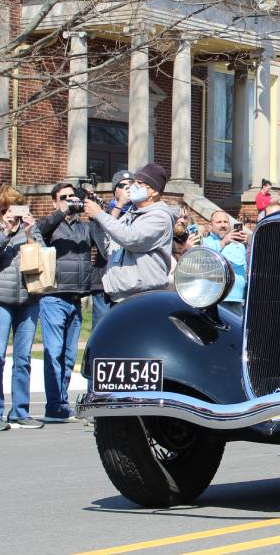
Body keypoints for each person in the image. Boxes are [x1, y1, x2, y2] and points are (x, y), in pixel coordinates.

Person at [35, 181, 106, 426]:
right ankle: (54, 405)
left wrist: (96, 213)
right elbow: (38, 230)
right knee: (53, 353)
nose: (69, 200)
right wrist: (62, 212)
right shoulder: (50, 226)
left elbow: (103, 247)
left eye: (72, 197)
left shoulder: (84, 227)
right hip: (53, 295)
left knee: (67, 356)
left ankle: (62, 403)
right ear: (55, 201)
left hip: (76, 297)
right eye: (63, 197)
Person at [0, 185, 44, 431]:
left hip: (28, 298)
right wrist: (5, 233)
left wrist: (29, 232)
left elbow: (42, 256)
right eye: (4, 209)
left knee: (23, 358)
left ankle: (20, 411)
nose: (9, 213)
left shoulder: (29, 228)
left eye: (13, 208)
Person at [86, 163, 177, 303]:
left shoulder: (159, 217)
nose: (132, 186)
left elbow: (130, 238)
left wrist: (100, 214)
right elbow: (108, 249)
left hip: (144, 297)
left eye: (139, 183)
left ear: (154, 191)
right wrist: (96, 222)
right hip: (119, 297)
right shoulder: (130, 215)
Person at [91, 170, 134, 329]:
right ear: (114, 190)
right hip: (103, 281)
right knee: (102, 329)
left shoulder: (137, 214)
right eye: (122, 186)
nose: (127, 189)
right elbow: (103, 243)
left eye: (131, 186)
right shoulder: (102, 212)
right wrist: (120, 205)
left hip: (125, 283)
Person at [199, 210, 247, 316]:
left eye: (225, 222)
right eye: (219, 222)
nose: (223, 225)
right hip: (214, 301)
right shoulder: (205, 242)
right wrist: (223, 242)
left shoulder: (238, 244)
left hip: (237, 301)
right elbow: (205, 259)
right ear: (210, 226)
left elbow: (244, 269)